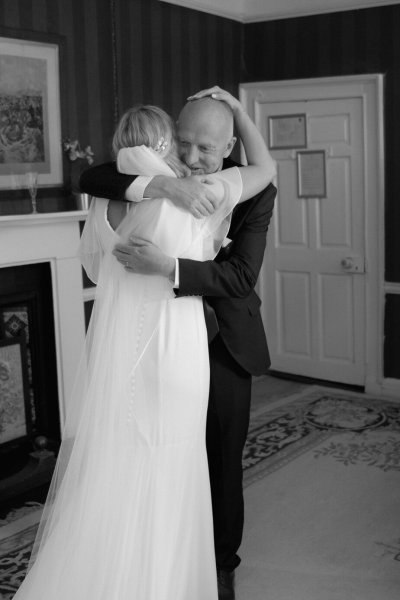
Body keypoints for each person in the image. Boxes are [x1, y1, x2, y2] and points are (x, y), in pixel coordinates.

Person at [13, 95, 274, 600]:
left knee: (169, 461)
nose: (192, 156)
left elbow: (239, 276)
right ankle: (174, 578)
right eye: (183, 143)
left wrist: (167, 257)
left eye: (205, 147)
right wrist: (169, 184)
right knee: (177, 462)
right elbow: (264, 165)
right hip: (177, 347)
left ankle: (191, 569)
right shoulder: (193, 190)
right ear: (167, 140)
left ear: (227, 147)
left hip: (175, 348)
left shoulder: (121, 196)